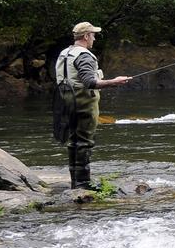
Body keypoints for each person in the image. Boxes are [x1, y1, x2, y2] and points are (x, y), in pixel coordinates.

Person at [54, 22, 131, 189]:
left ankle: (76, 182)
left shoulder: (65, 53)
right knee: (84, 142)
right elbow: (89, 82)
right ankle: (83, 183)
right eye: (93, 35)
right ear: (86, 36)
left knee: (73, 141)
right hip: (83, 103)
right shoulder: (84, 55)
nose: (94, 38)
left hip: (66, 103)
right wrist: (114, 82)